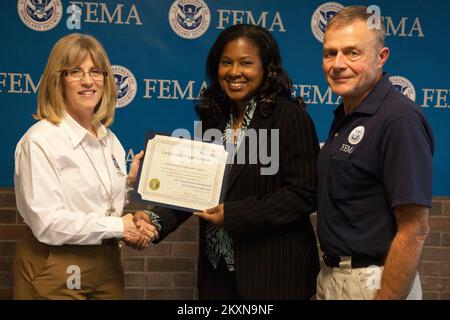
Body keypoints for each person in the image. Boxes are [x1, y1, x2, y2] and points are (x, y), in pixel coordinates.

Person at [129, 24, 320, 299]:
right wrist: (154, 220)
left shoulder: (289, 117)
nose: (234, 72)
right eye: (226, 62)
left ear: (267, 69)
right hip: (217, 273)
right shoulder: (215, 119)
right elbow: (193, 189)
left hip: (273, 275)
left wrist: (233, 215)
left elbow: (303, 194)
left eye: (246, 63)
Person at [13, 33, 158, 300]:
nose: (88, 81)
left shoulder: (108, 139)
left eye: (95, 71)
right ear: (59, 80)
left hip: (108, 263)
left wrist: (127, 187)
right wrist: (119, 227)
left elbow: (96, 204)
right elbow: (48, 223)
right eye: (75, 72)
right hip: (57, 264)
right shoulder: (40, 141)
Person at [316, 6, 434, 300]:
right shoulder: (348, 113)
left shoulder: (398, 120)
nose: (338, 64)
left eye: (352, 53)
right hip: (335, 277)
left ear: (381, 57)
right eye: (330, 53)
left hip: (375, 283)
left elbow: (415, 229)